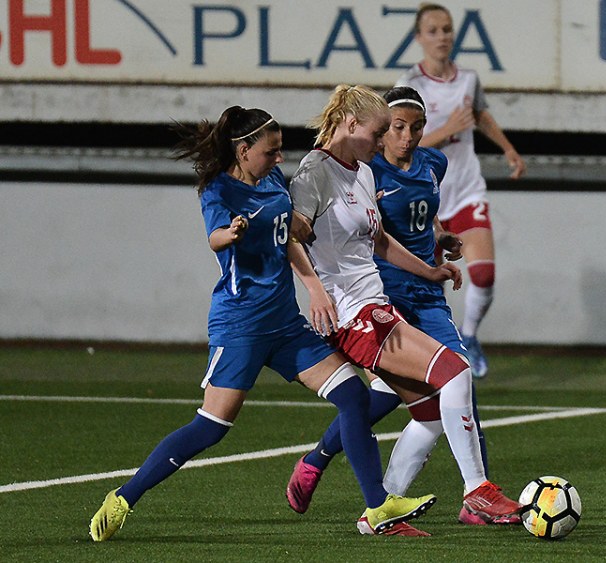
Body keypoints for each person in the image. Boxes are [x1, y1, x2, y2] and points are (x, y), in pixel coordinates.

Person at [88, 106, 437, 542]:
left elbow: (287, 238)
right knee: (210, 427)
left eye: (279, 150)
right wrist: (230, 234)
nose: (278, 159)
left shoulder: (272, 181)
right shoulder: (219, 190)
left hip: (285, 324)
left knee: (353, 395)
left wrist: (314, 287)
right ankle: (124, 497)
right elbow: (214, 237)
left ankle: (377, 505)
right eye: (270, 152)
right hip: (242, 326)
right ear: (243, 151)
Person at [285, 84, 522, 535]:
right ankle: (478, 491)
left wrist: (429, 268)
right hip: (354, 315)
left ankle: (382, 510)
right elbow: (290, 236)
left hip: (379, 305)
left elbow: (379, 240)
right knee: (456, 374)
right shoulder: (314, 172)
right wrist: (314, 289)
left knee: (431, 415)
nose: (385, 143)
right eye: (381, 132)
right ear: (351, 124)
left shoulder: (361, 171)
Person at [396, 3, 527, 379]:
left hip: (467, 190)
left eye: (447, 29)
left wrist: (507, 148)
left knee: (483, 275)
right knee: (426, 284)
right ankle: (429, 356)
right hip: (426, 197)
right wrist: (448, 130)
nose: (442, 37)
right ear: (419, 38)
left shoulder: (468, 78)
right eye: (433, 30)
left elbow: (480, 114)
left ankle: (469, 336)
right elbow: (400, 144)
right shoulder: (411, 84)